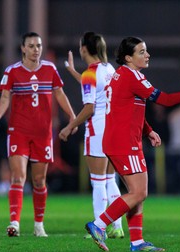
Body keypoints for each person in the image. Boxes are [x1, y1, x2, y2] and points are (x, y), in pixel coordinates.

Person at [84, 36, 180, 252]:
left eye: (146, 51)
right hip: (123, 143)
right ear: (128, 58)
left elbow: (127, 110)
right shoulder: (132, 77)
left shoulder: (121, 76)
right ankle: (99, 224)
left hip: (123, 140)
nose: (147, 55)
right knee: (138, 193)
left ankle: (137, 242)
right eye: (141, 52)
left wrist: (149, 130)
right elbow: (166, 100)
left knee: (138, 192)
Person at [0, 32, 77, 237]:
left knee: (39, 181)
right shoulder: (12, 71)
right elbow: (5, 99)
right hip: (19, 132)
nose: (36, 50)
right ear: (23, 48)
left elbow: (59, 93)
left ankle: (38, 224)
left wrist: (72, 117)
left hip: (43, 133)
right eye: (31, 46)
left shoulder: (50, 69)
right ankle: (14, 222)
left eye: (39, 46)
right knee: (18, 177)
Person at [59, 32, 124, 239]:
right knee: (110, 179)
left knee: (97, 181)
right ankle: (118, 226)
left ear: (84, 49)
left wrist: (70, 126)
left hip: (97, 131)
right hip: (114, 129)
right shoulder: (108, 69)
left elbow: (89, 107)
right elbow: (95, 87)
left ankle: (99, 227)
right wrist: (72, 71)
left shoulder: (90, 73)